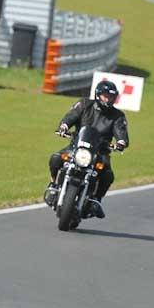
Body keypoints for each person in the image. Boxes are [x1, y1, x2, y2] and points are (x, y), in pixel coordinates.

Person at [44, 80, 129, 218]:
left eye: (111, 97)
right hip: (77, 146)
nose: (108, 99)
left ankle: (96, 199)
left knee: (107, 174)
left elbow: (121, 132)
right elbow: (70, 117)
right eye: (105, 96)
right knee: (56, 158)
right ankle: (54, 185)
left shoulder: (118, 116)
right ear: (98, 94)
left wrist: (121, 142)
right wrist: (64, 126)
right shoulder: (84, 104)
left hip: (100, 152)